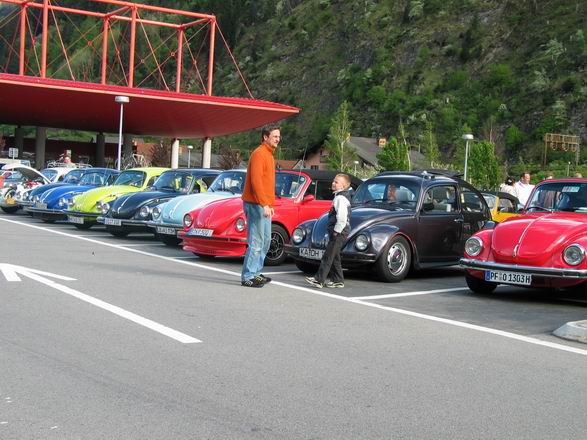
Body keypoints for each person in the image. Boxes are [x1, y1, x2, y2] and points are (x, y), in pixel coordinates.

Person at [240, 126, 280, 288]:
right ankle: (248, 276)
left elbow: (266, 183)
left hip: (263, 205)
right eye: (275, 136)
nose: (278, 139)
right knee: (256, 242)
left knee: (266, 241)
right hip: (255, 204)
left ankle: (256, 272)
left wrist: (270, 204)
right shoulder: (259, 154)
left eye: (279, 136)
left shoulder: (269, 155)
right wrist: (264, 204)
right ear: (265, 137)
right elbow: (256, 182)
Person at [305, 173, 352, 289]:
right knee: (334, 256)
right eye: (333, 181)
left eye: (336, 182)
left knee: (328, 256)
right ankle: (338, 280)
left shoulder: (340, 198)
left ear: (343, 186)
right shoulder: (339, 196)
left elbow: (342, 217)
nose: (333, 183)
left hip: (339, 231)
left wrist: (336, 231)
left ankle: (319, 280)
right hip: (340, 231)